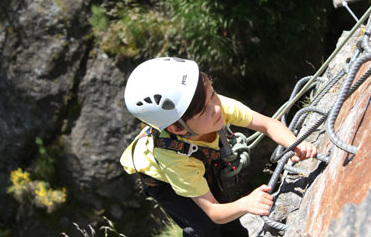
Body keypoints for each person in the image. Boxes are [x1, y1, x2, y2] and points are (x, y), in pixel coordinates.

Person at [120, 57, 317, 237]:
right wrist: (245, 203)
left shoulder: (216, 107)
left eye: (213, 94)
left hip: (195, 157)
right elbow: (213, 212)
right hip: (161, 177)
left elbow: (268, 124)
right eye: (204, 110)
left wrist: (294, 144)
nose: (216, 108)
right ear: (178, 128)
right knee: (203, 227)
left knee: (229, 218)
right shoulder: (175, 160)